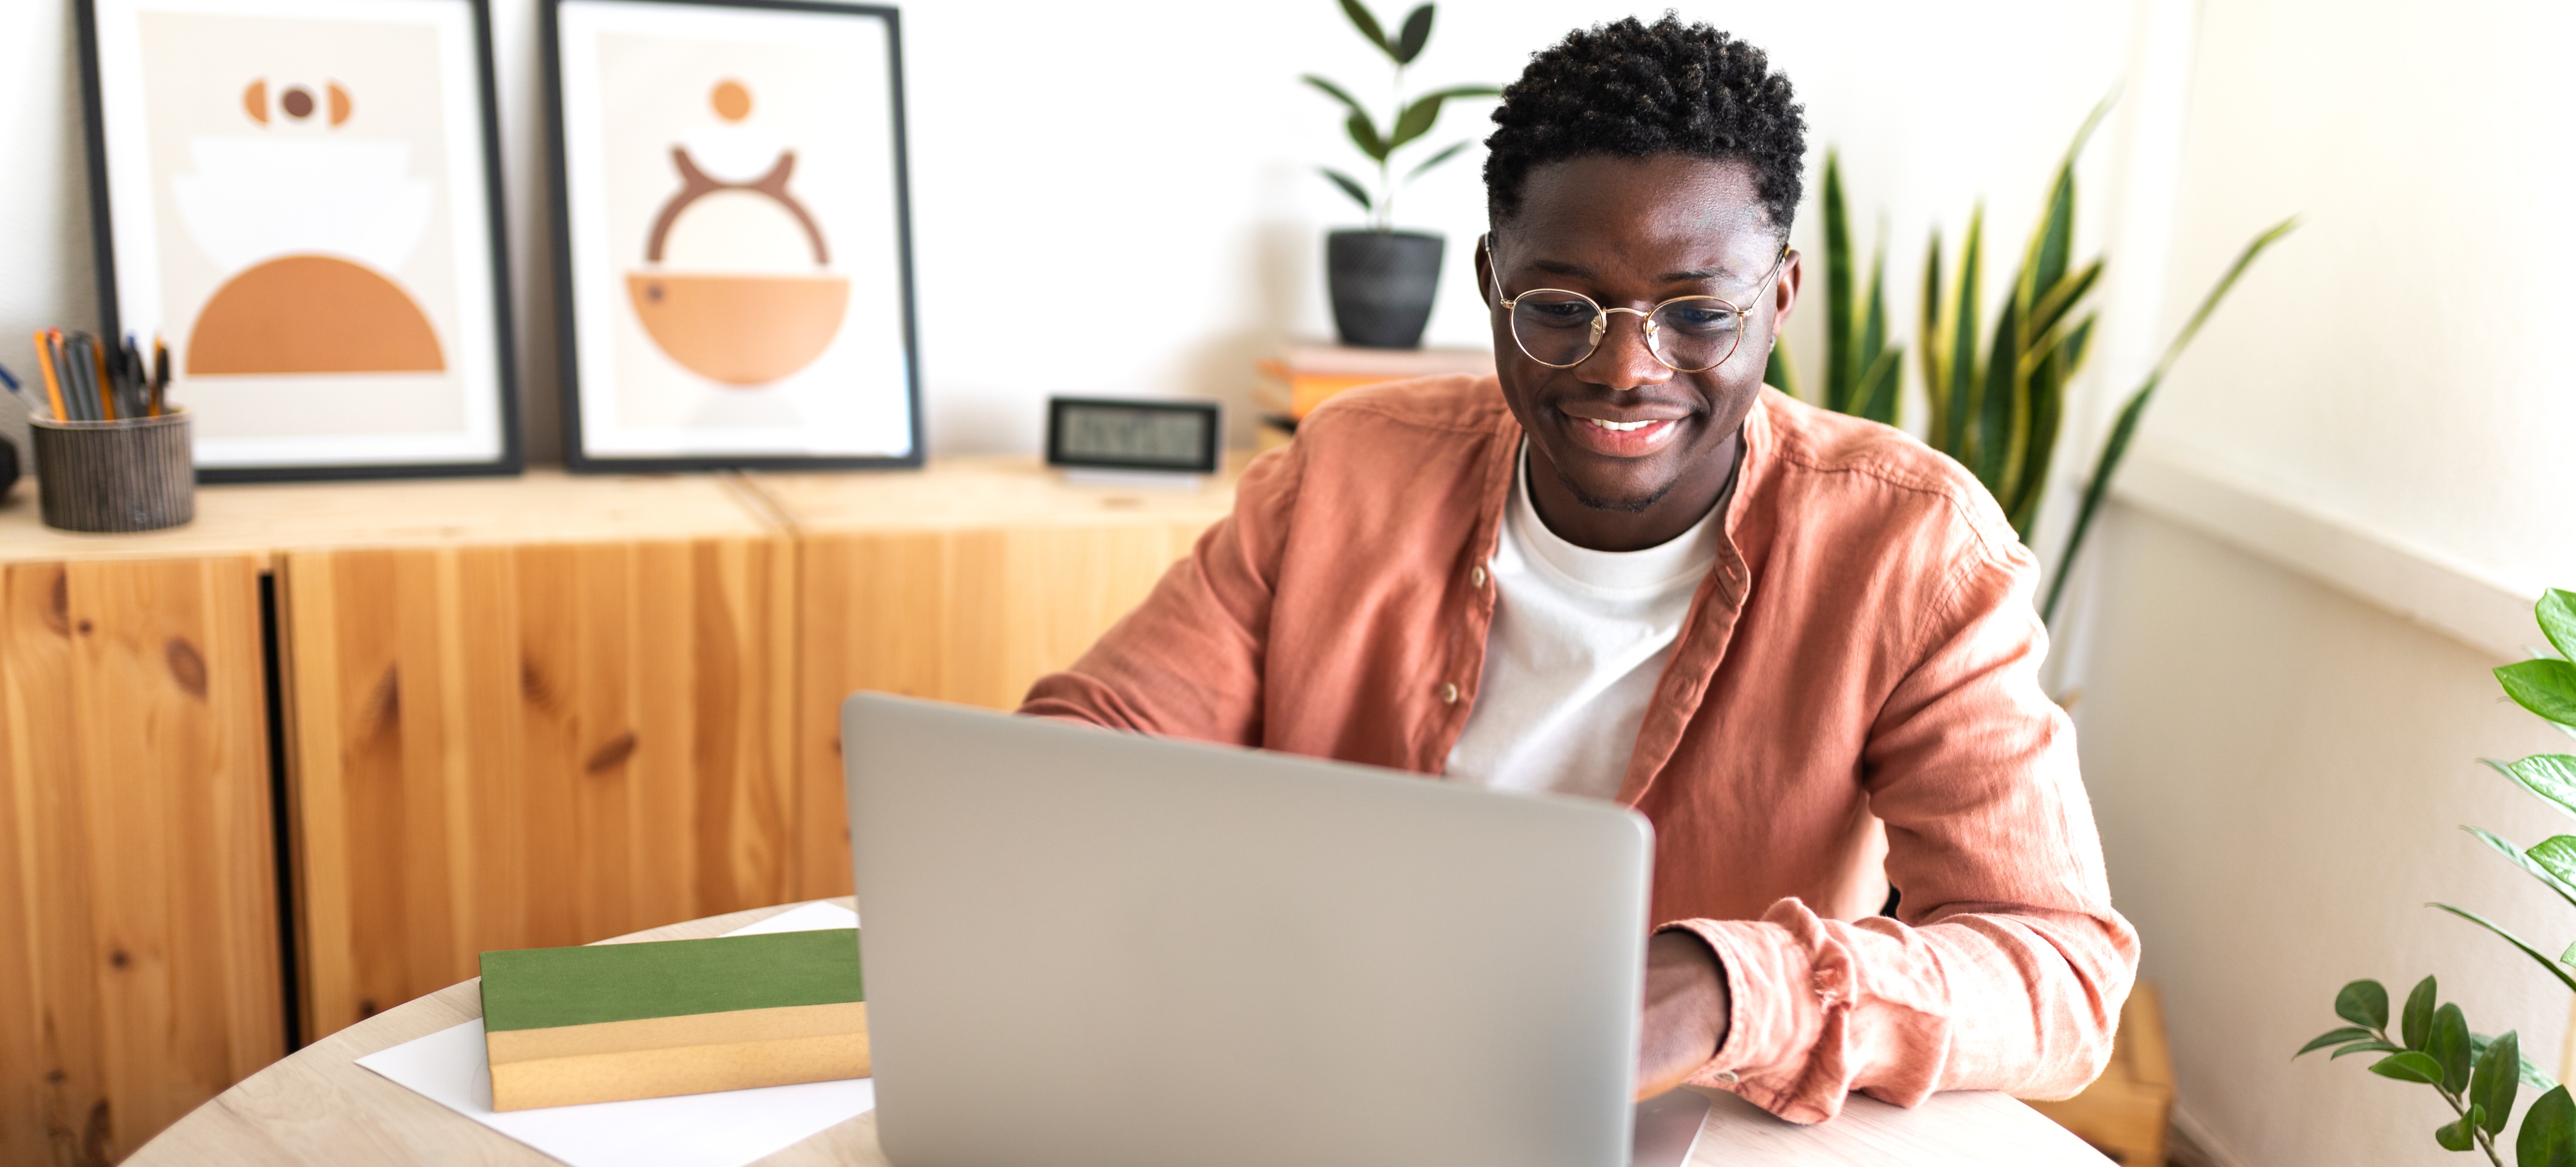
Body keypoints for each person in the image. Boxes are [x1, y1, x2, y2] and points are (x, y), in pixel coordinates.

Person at [1022, 14, 2137, 1124]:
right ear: (1490, 282)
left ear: (1780, 296)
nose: (1625, 368)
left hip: (1661, 1127)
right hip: (1310, 1080)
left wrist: (1719, 990)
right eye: (1560, 309)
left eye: (1698, 312)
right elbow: (1095, 743)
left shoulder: (1914, 553)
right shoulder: (1346, 474)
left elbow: (2062, 972)